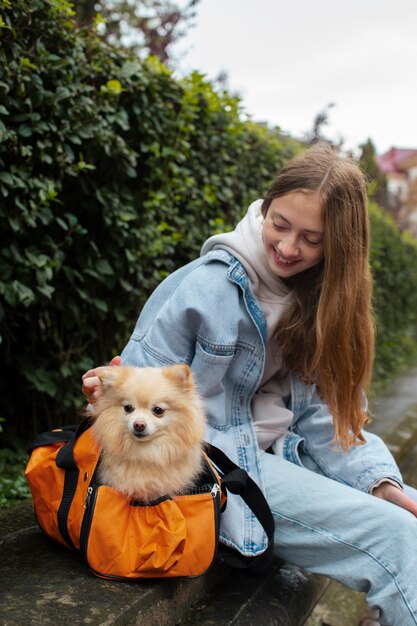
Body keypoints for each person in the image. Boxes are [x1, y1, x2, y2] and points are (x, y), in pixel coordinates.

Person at [83, 143, 417, 626]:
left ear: (339, 248)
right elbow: (133, 402)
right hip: (218, 468)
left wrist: (380, 482)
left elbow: (327, 418)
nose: (286, 247)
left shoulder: (322, 300)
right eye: (279, 223)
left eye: (311, 238)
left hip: (284, 455)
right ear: (264, 206)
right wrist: (105, 393)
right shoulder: (206, 286)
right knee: (397, 537)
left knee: (403, 512)